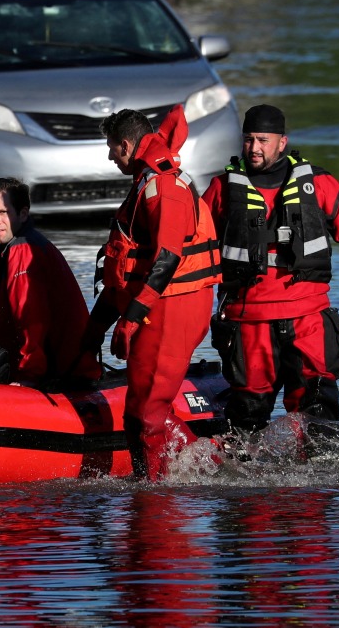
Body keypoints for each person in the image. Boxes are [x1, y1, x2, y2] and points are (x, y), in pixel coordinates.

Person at [201, 104, 339, 447]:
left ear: (282, 142)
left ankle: (320, 487)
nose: (254, 148)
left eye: (263, 140)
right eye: (249, 140)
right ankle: (245, 489)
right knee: (247, 416)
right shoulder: (222, 190)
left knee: (319, 409)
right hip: (249, 319)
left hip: (307, 316)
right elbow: (193, 244)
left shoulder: (319, 183)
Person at [77, 106, 222, 481]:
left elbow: (167, 258)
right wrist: (97, 329)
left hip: (171, 306)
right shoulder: (148, 181)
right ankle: (209, 467)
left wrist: (131, 318)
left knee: (145, 413)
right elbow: (130, 264)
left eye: (111, 148)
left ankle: (153, 497)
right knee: (146, 405)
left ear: (126, 145)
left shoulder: (164, 187)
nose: (110, 157)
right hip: (161, 303)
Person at [0, 178, 101, 389]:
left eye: (3, 212)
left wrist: (29, 376)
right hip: (64, 369)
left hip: (63, 377)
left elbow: (31, 320)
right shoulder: (26, 244)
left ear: (22, 213)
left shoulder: (23, 251)